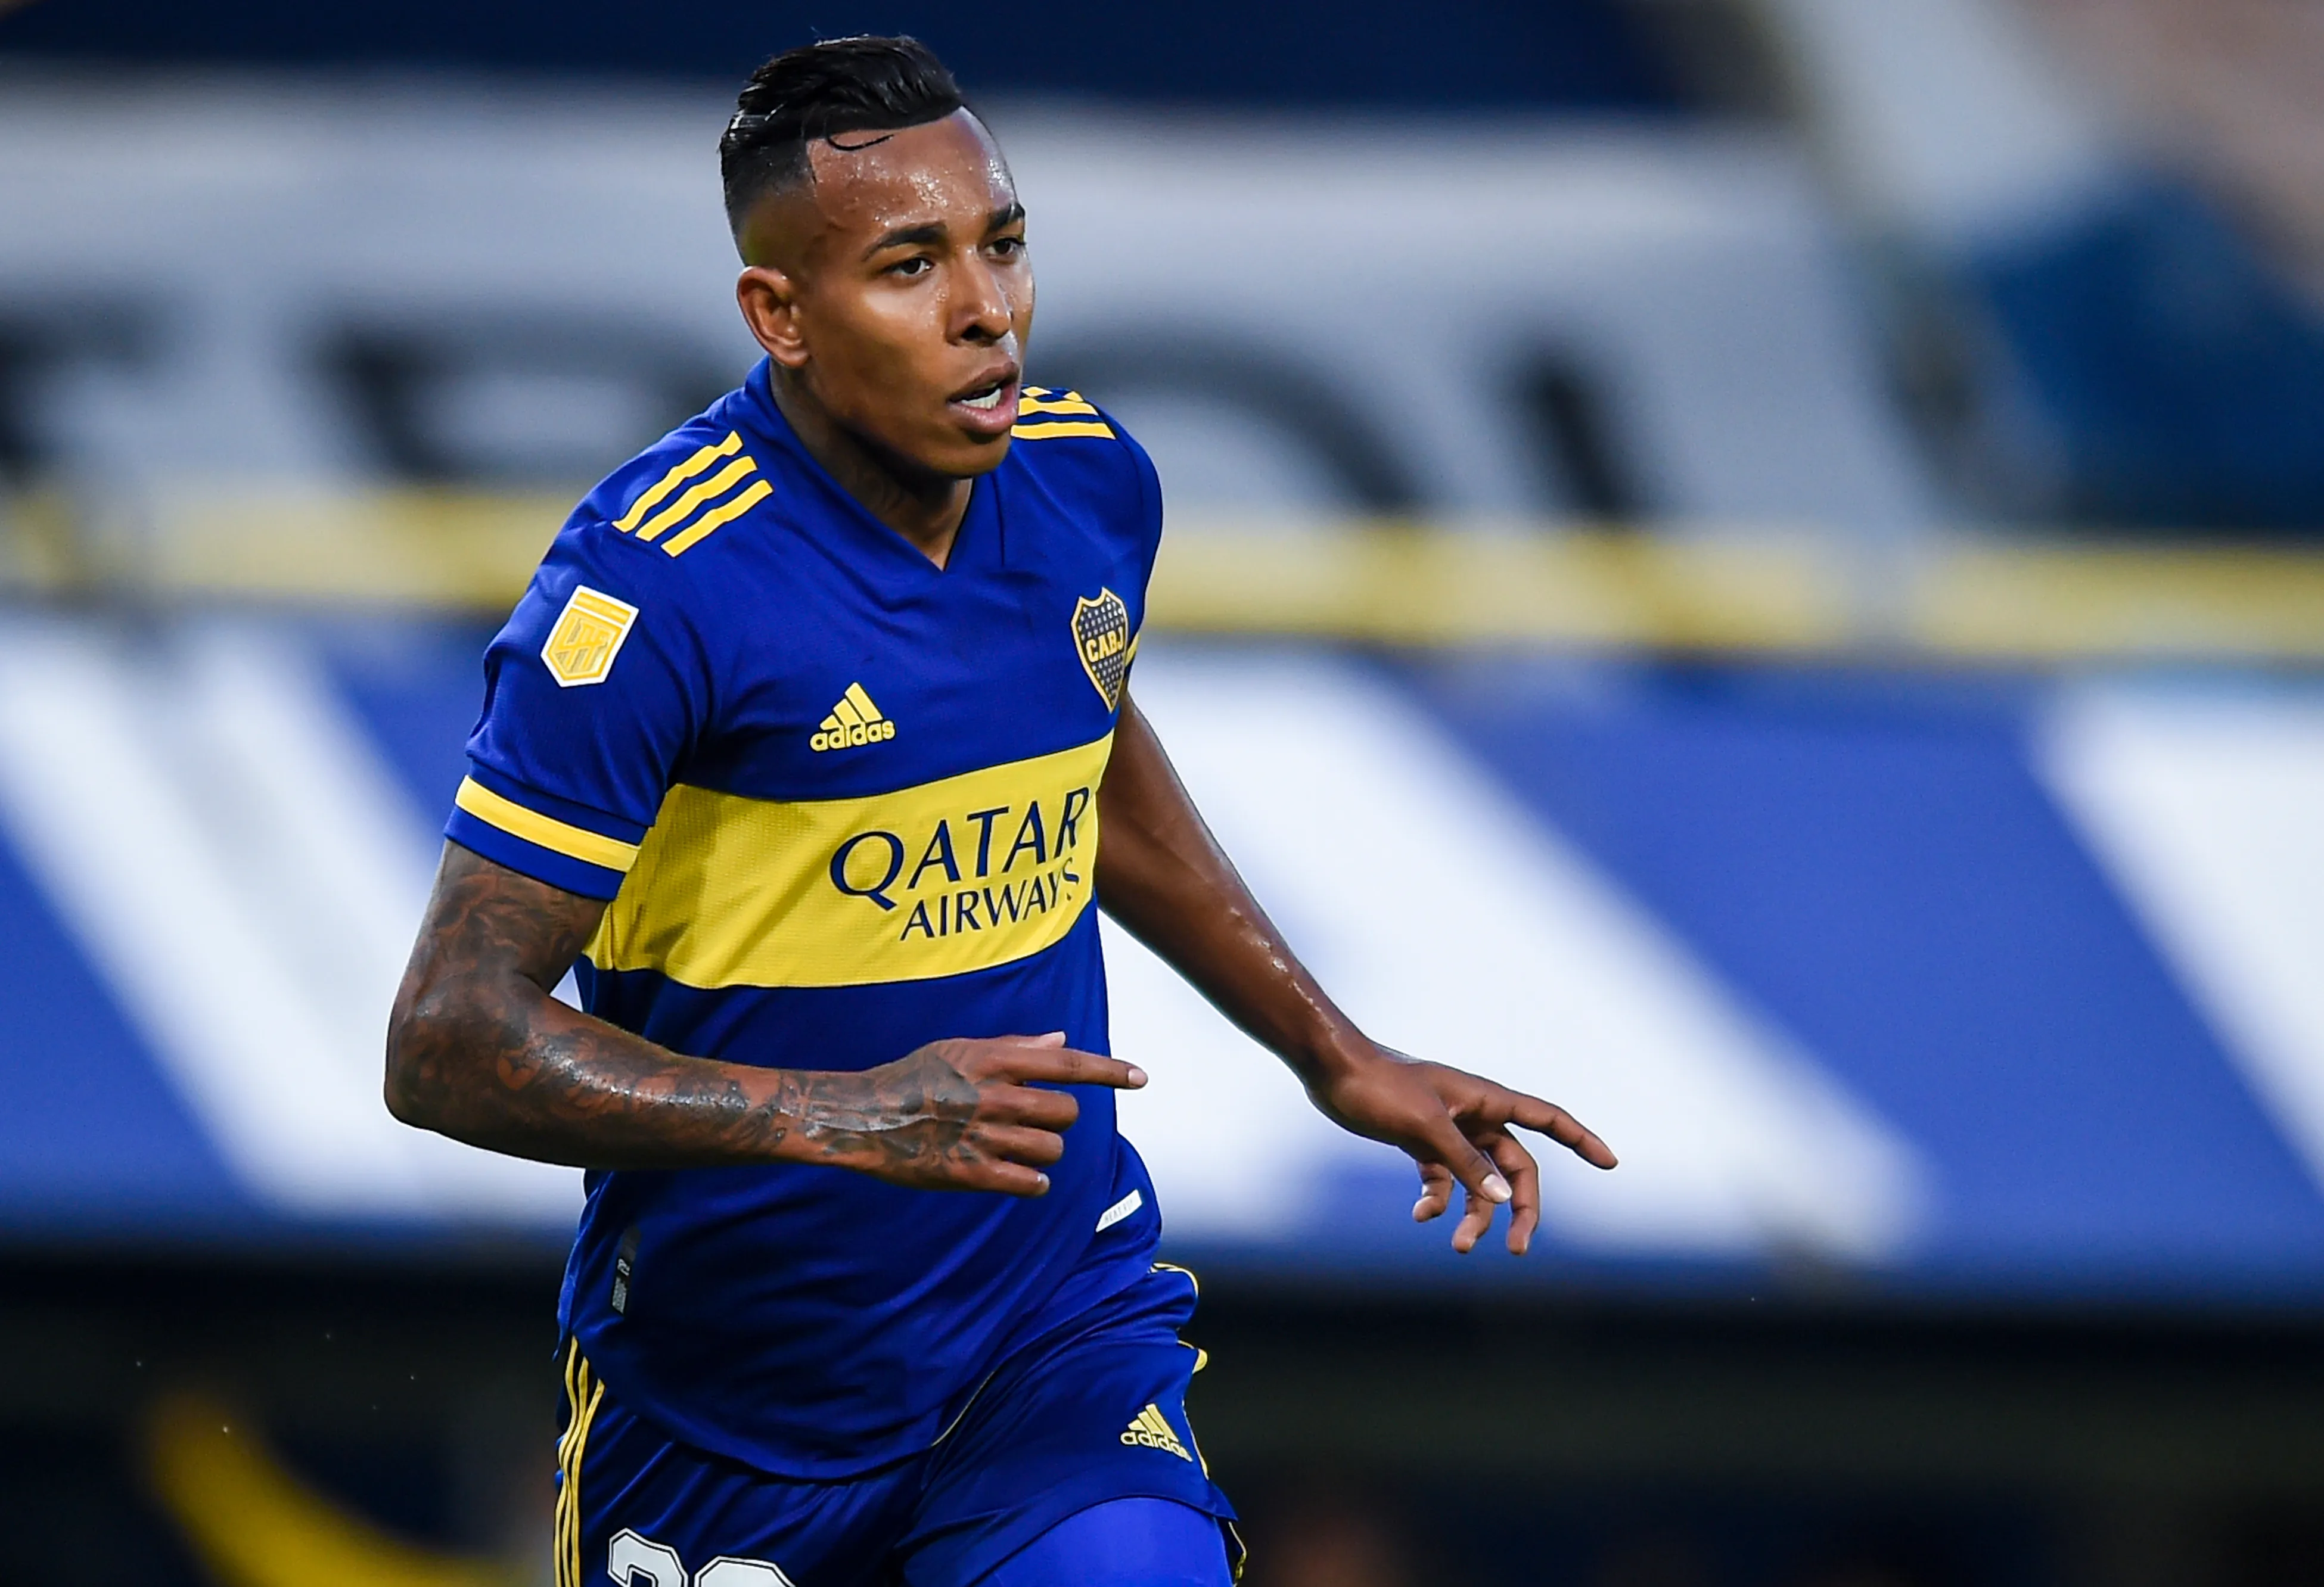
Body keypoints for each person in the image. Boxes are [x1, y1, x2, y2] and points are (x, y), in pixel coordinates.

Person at [383, 35, 1616, 1587]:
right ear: (783, 318)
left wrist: (1331, 1047)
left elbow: (1079, 745)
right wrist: (844, 1116)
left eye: (1003, 245)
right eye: (910, 265)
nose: (987, 312)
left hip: (1049, 1341)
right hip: (736, 1399)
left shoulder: (1090, 484)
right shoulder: (653, 589)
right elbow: (446, 1038)